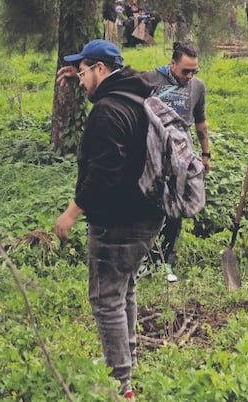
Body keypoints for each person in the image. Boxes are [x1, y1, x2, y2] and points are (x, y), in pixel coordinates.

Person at [54, 39, 161, 401]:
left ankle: (121, 384)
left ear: (100, 69)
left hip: (118, 219)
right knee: (124, 288)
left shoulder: (108, 111)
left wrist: (70, 214)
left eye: (83, 71)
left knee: (106, 299)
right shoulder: (136, 95)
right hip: (148, 213)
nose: (80, 79)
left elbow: (103, 173)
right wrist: (78, 74)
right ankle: (125, 363)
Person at [142, 42, 212, 283]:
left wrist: (205, 155)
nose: (189, 76)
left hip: (181, 159)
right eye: (185, 71)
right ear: (172, 64)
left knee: (175, 210)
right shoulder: (150, 80)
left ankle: (166, 262)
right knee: (148, 208)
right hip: (150, 158)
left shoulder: (197, 87)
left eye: (194, 71)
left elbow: (201, 122)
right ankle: (144, 260)